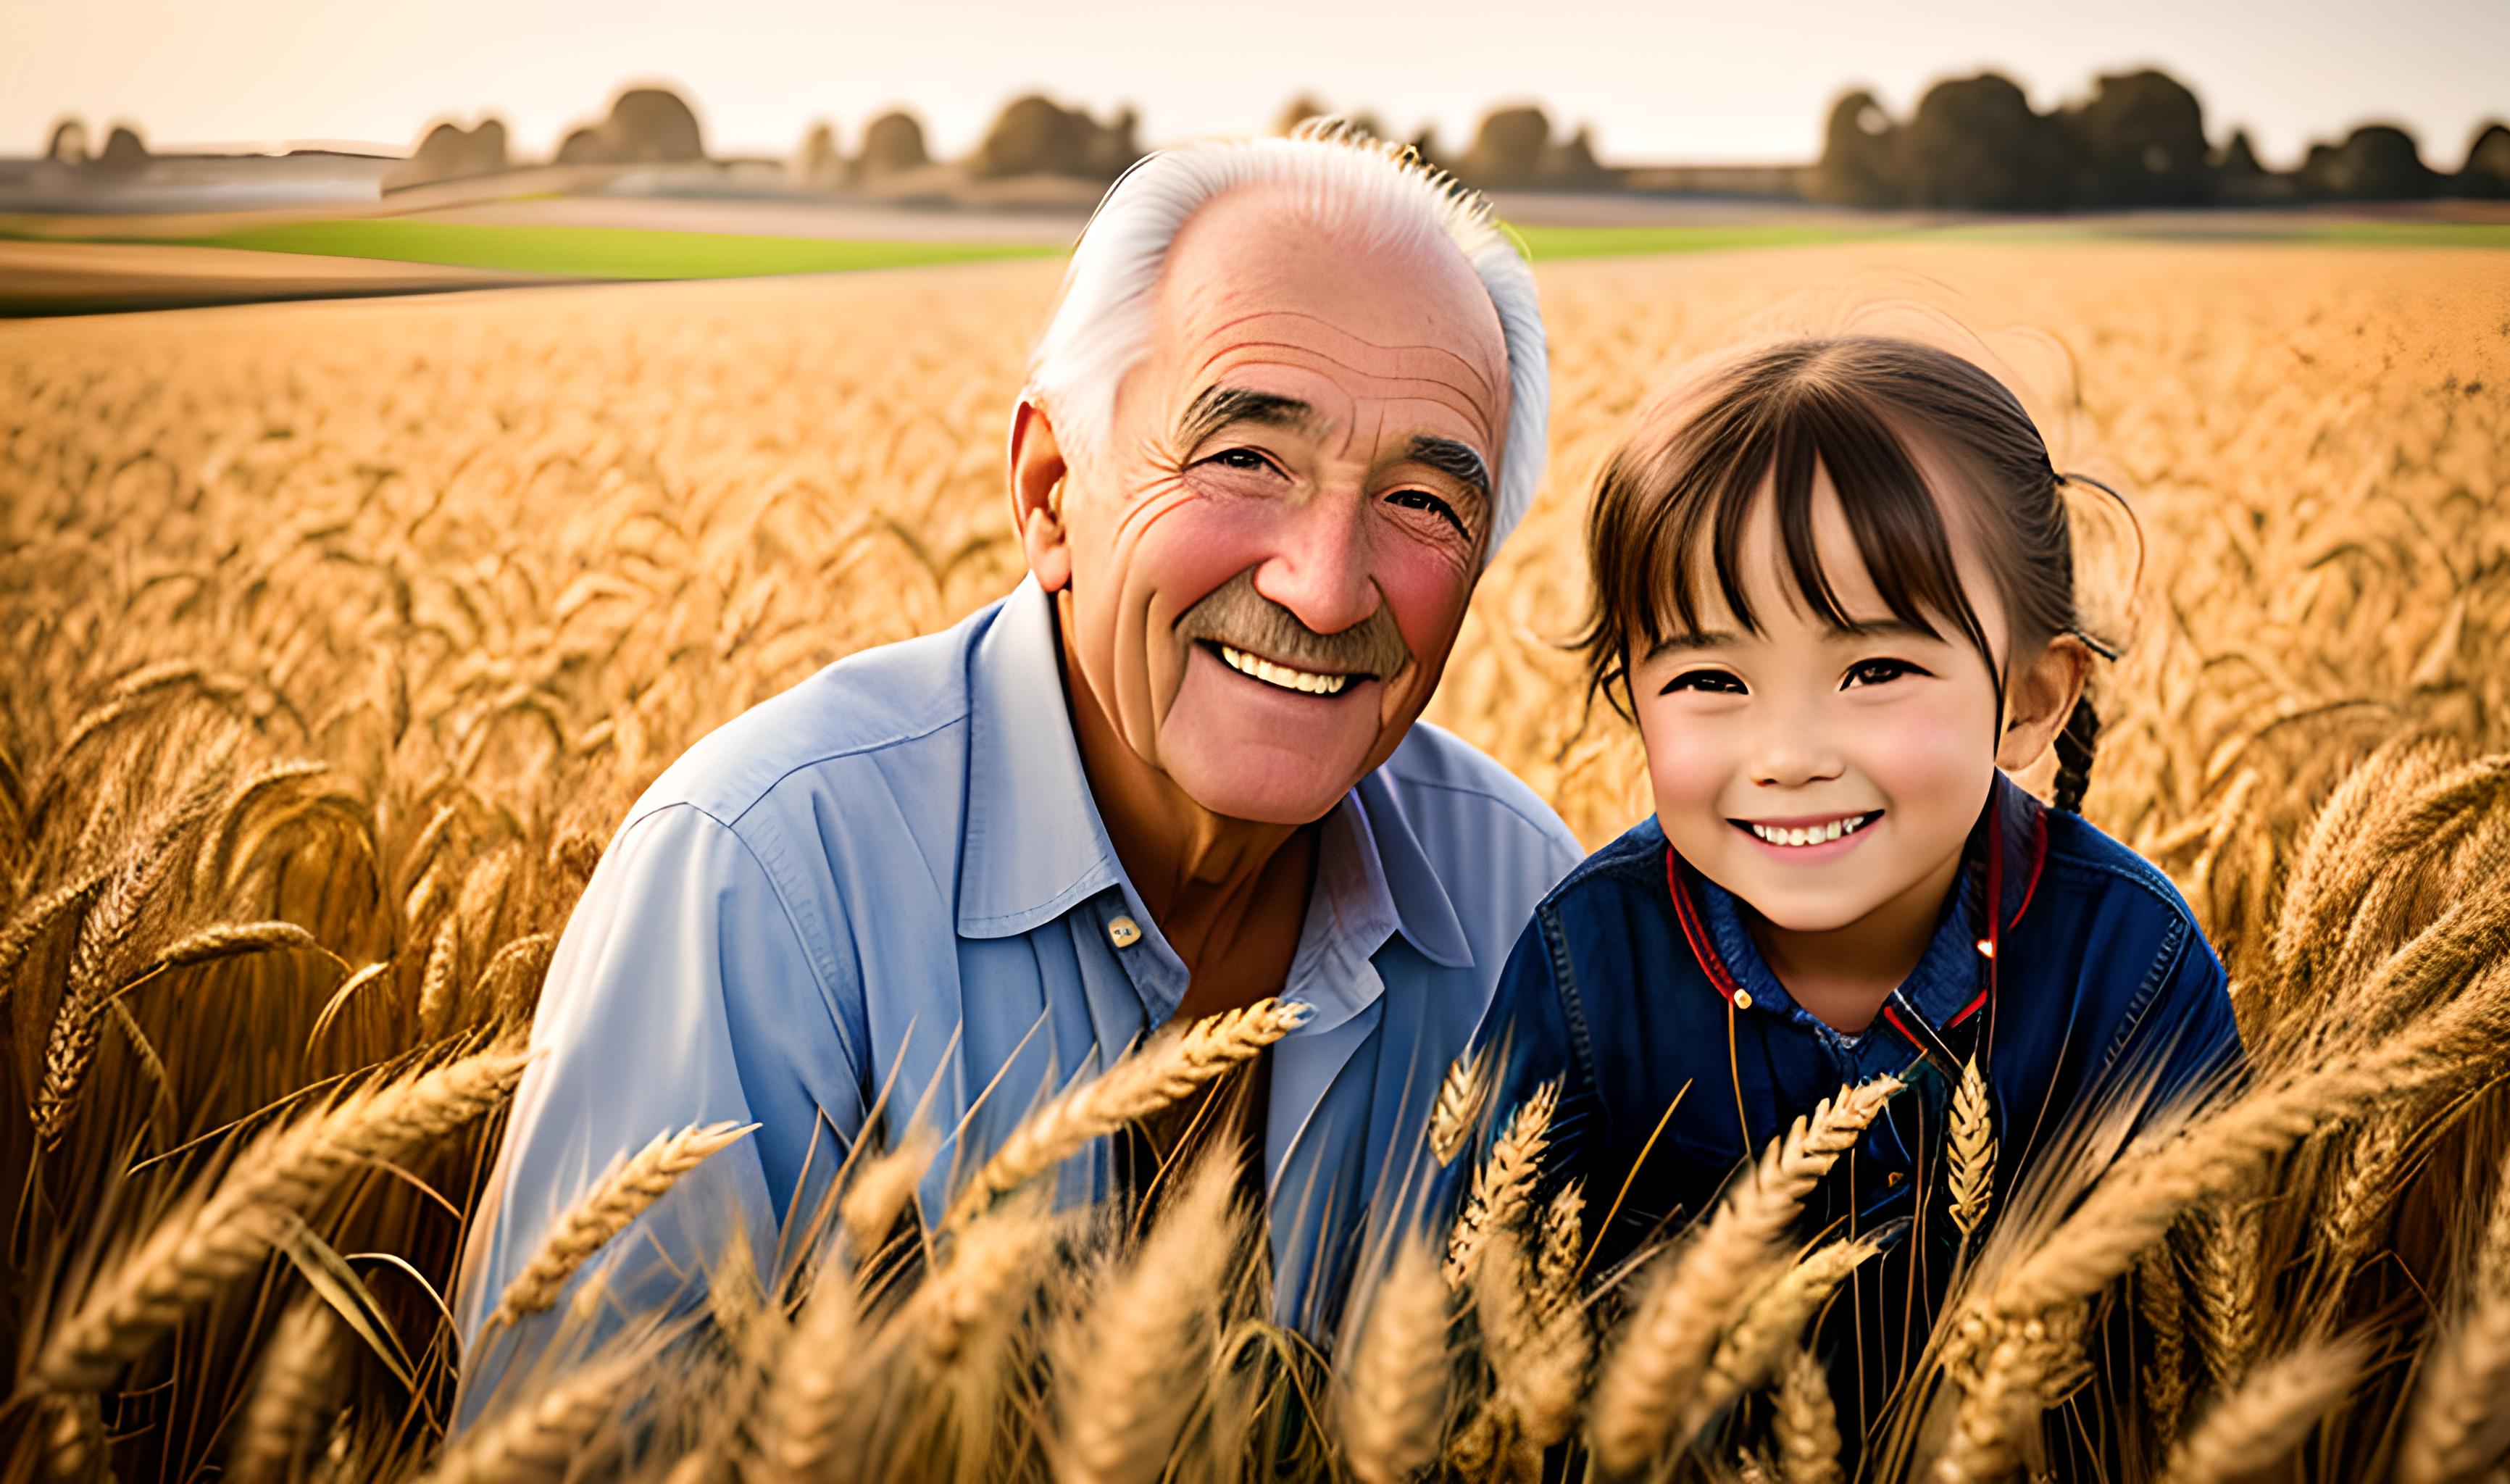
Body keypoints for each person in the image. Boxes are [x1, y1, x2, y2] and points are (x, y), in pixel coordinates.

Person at [449, 124, 1579, 1422]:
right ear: (1051, 492)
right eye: (1244, 459)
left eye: (1424, 503)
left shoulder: (1520, 900)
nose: (1324, 591)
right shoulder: (764, 875)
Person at [1466, 335, 2240, 1456]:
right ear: (1633, 702)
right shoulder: (1592, 960)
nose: (1787, 755)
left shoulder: (2127, 961)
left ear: (2030, 699)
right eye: (1711, 681)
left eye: (1873, 671)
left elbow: (2202, 1340)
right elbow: (1481, 1306)